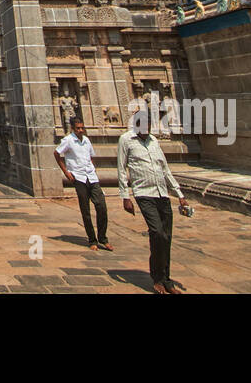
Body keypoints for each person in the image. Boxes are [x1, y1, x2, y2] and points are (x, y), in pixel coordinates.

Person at [117, 112, 190, 294]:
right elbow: (121, 168)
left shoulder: (153, 141)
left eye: (149, 126)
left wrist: (179, 193)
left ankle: (166, 278)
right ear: (136, 125)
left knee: (166, 237)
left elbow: (164, 168)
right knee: (157, 232)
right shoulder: (126, 140)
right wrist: (125, 196)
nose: (147, 129)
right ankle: (157, 277)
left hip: (162, 193)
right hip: (143, 193)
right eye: (144, 126)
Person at [54, 117, 112, 252]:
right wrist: (66, 172)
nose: (80, 130)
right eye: (78, 128)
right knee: (85, 210)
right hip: (78, 177)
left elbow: (91, 155)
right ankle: (92, 239)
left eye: (82, 128)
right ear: (73, 129)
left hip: (91, 176)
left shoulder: (86, 140)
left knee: (101, 206)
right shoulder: (68, 140)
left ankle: (103, 238)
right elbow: (57, 153)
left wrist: (91, 166)